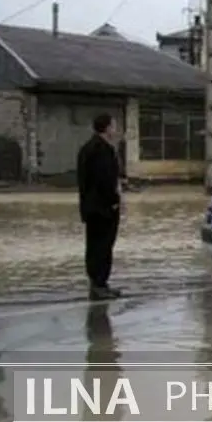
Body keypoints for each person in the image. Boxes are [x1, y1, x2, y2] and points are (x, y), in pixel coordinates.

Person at [77, 113, 123, 301]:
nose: (116, 129)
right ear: (107, 128)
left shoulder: (87, 148)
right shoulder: (102, 150)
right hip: (103, 209)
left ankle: (97, 284)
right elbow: (105, 181)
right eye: (114, 125)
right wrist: (114, 201)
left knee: (94, 246)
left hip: (91, 207)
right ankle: (99, 285)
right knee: (102, 247)